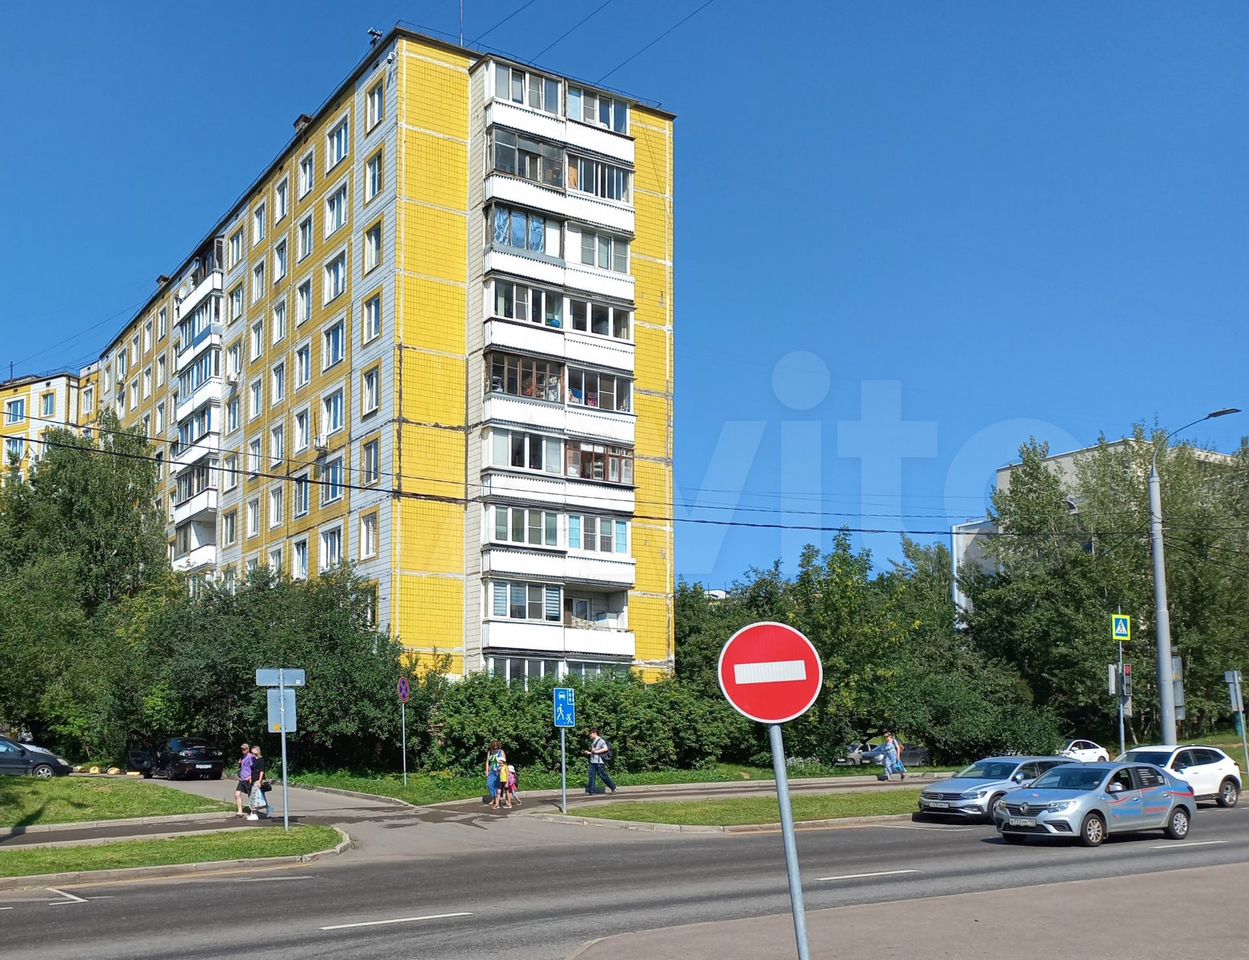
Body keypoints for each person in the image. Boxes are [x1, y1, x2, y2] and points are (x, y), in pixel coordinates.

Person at [584, 728, 616, 795]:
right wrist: (589, 753)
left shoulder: (601, 740)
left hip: (599, 762)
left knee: (603, 776)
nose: (590, 735)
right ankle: (591, 791)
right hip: (593, 761)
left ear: (595, 733)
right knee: (591, 776)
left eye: (591, 734)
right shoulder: (594, 741)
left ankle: (613, 787)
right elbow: (594, 751)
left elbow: (605, 748)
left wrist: (596, 751)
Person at [485, 741, 510, 810]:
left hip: (499, 771)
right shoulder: (490, 752)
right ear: (492, 747)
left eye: (497, 748)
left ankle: (496, 800)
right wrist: (487, 770)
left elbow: (504, 762)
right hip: (492, 771)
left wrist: (504, 771)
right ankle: (495, 798)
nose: (495, 749)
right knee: (489, 784)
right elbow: (487, 761)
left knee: (497, 786)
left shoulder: (501, 752)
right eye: (494, 748)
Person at [247, 745, 269, 820]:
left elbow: (262, 771)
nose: (252, 754)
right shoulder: (254, 759)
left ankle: (254, 813)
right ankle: (268, 808)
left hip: (257, 781)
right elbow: (252, 769)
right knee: (260, 796)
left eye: (253, 752)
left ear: (257, 752)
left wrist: (259, 781)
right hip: (253, 780)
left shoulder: (261, 760)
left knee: (253, 796)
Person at [234, 743, 253, 818]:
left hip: (248, 779)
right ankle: (240, 811)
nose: (243, 750)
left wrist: (250, 777)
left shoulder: (250, 757)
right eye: (242, 749)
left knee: (250, 796)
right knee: (237, 794)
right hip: (242, 779)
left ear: (248, 749)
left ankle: (253, 810)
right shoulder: (243, 757)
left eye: (244, 749)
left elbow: (253, 768)